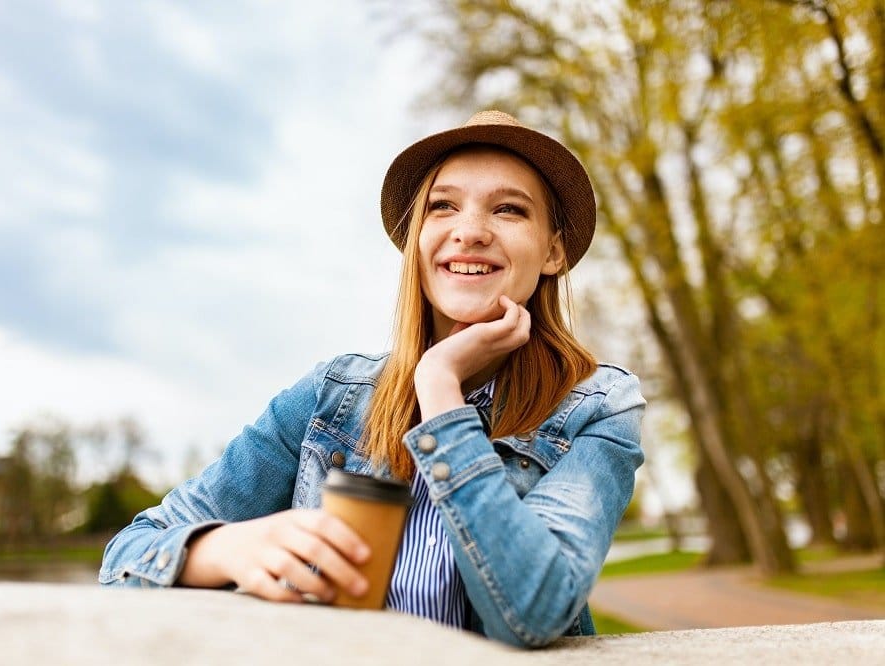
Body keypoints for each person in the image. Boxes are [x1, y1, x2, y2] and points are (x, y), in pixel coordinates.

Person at [99, 110, 645, 648]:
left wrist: (439, 389)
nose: (470, 231)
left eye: (508, 209)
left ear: (552, 251)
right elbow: (127, 557)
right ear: (416, 239)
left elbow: (535, 609)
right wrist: (225, 549)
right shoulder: (330, 398)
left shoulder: (599, 407)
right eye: (443, 206)